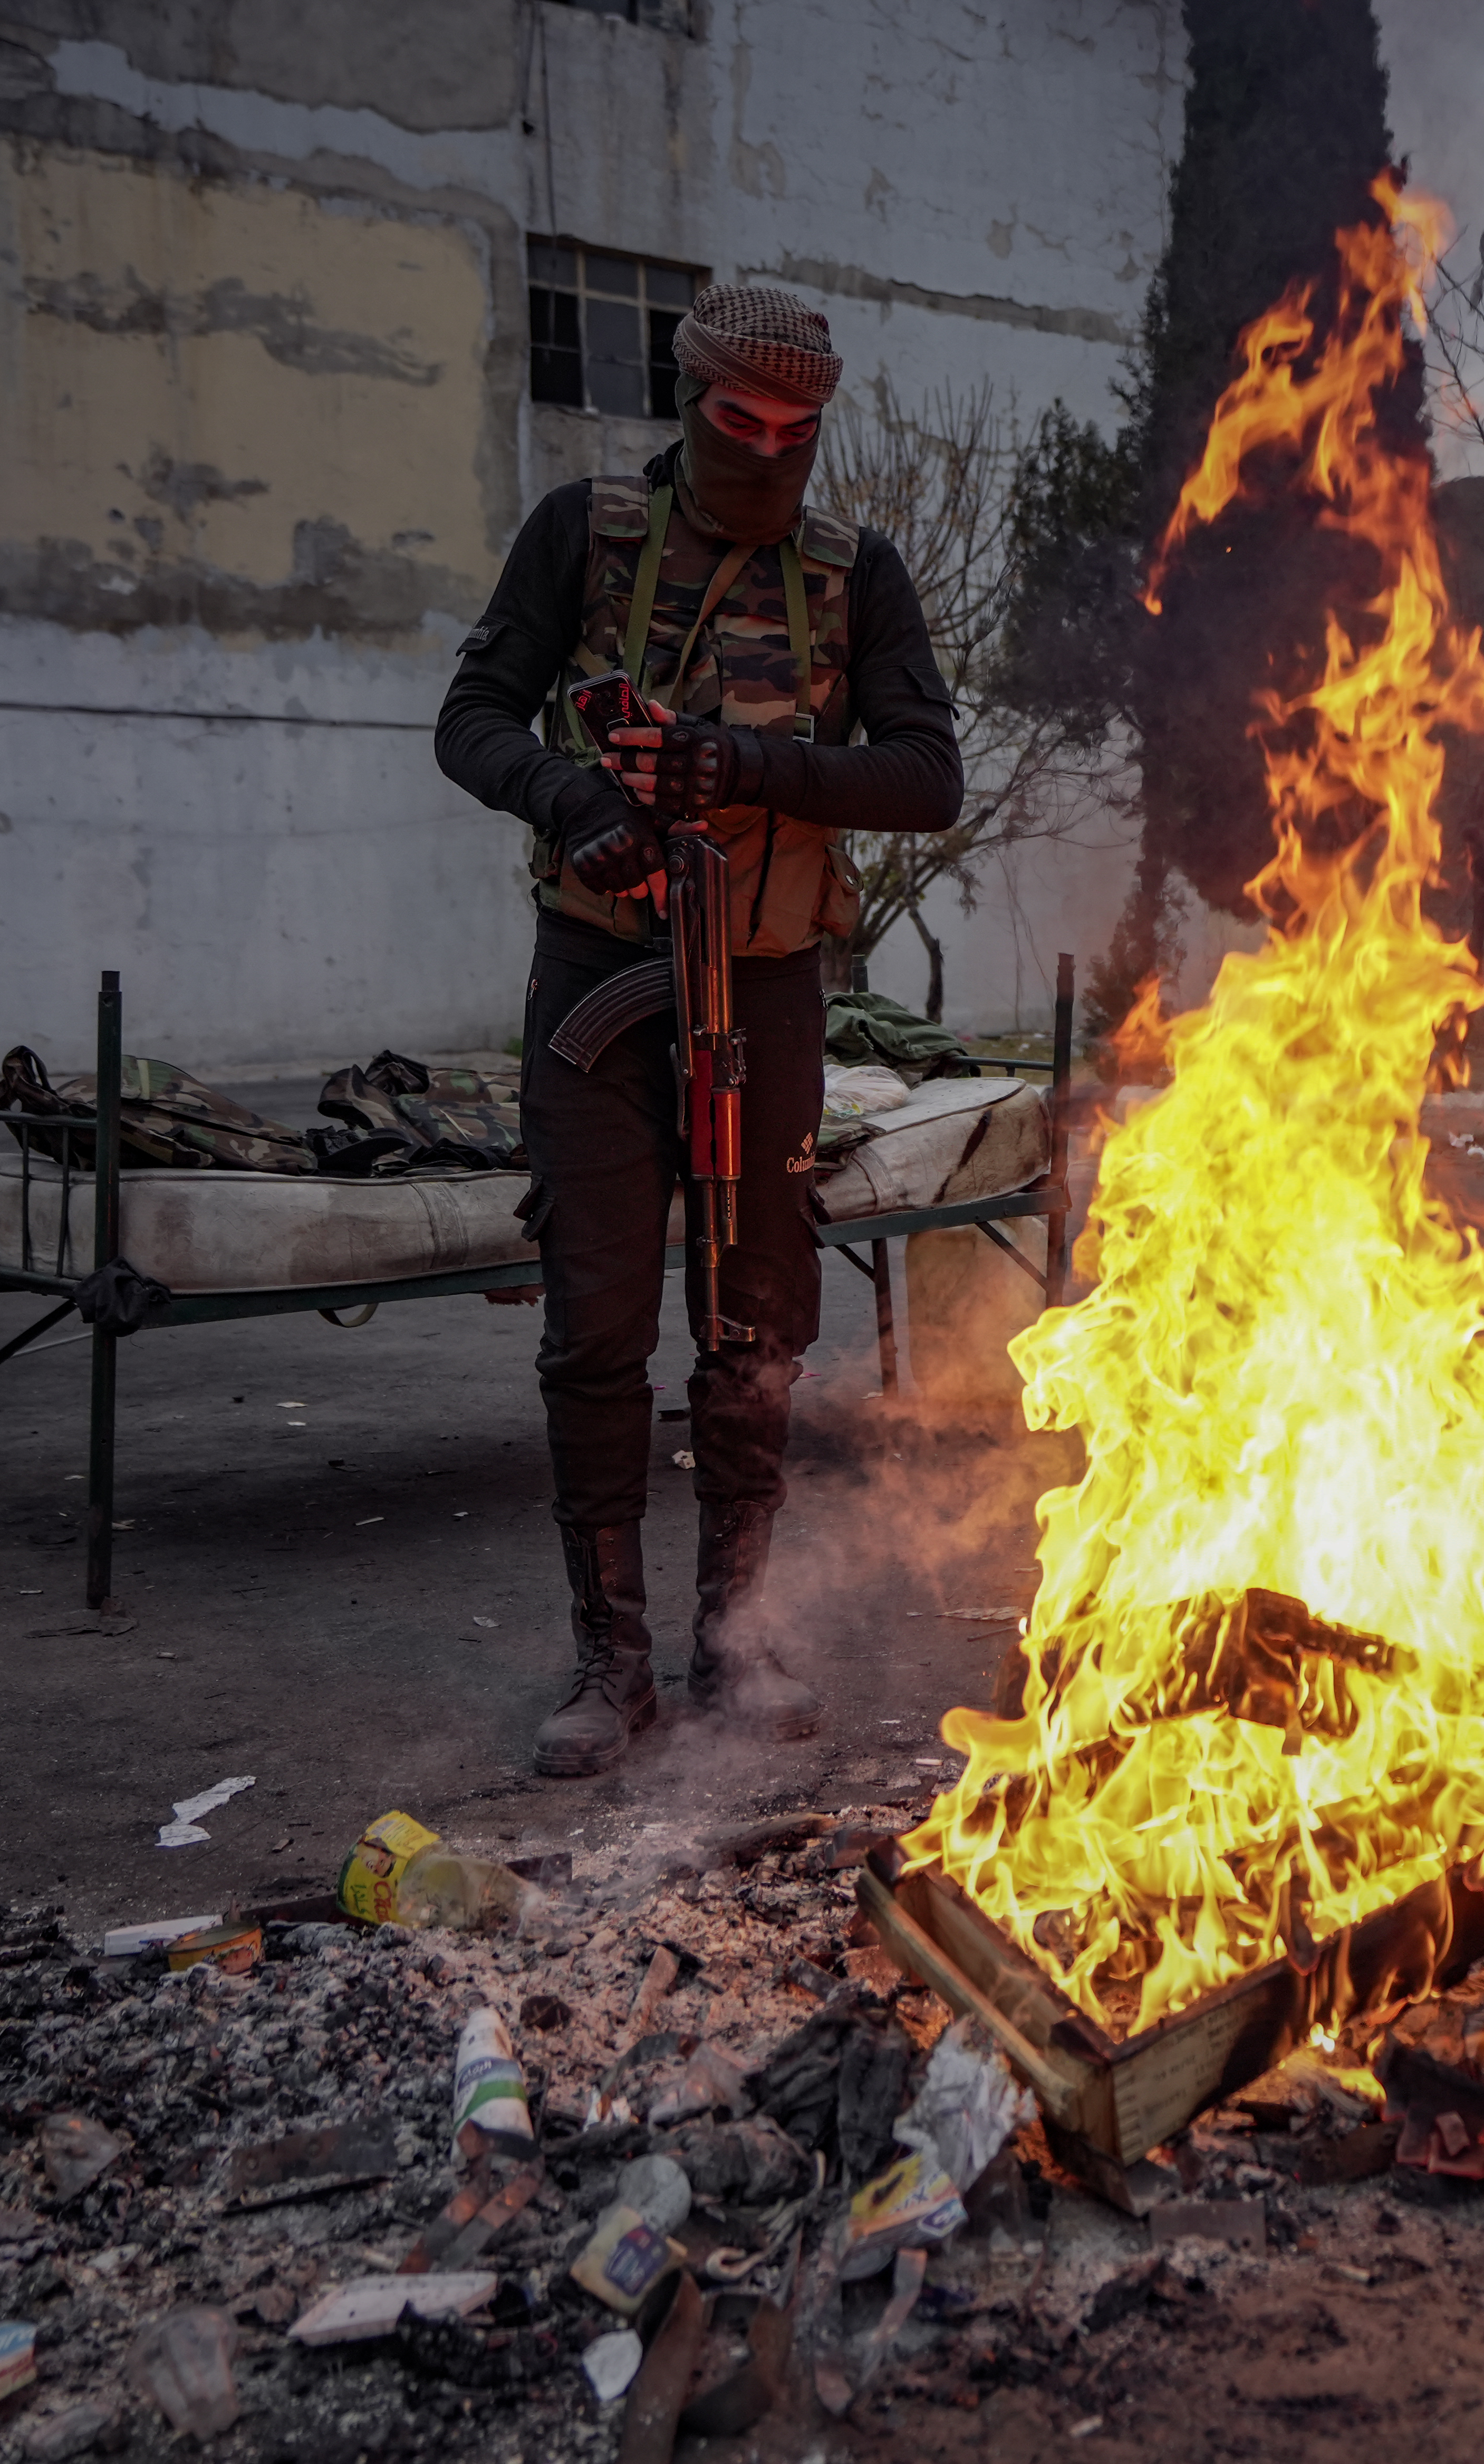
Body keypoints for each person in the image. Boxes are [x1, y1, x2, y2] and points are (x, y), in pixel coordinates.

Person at [436, 286, 960, 1777]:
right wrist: (576, 799)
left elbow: (928, 775)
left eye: (798, 434)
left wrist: (748, 762)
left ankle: (739, 1638)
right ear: (689, 402)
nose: (767, 452)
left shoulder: (858, 575)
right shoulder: (582, 535)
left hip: (770, 979)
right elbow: (471, 720)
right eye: (739, 424)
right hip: (598, 981)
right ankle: (610, 1662)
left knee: (758, 1333)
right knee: (595, 1325)